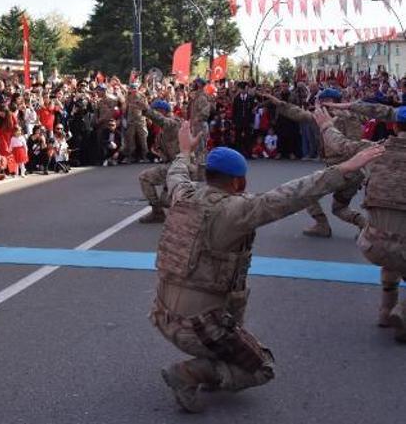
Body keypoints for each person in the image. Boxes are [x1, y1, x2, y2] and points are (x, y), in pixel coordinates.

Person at [153, 121, 383, 413]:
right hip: (197, 328)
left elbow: (176, 174)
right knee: (262, 368)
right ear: (238, 183)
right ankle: (188, 374)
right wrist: (346, 168)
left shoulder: (182, 196)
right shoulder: (236, 211)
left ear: (208, 175)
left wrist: (185, 152)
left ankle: (210, 365)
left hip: (163, 316)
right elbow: (291, 194)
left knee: (233, 322)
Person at [318, 102, 406, 339]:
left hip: (373, 243)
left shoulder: (375, 150)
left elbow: (340, 144)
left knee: (394, 253)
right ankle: (403, 313)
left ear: (396, 127)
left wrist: (326, 125)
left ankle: (386, 310)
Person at [261, 89, 367, 238]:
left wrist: (278, 103)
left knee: (306, 190)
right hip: (353, 172)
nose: (318, 104)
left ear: (329, 101)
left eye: (321, 101)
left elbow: (298, 114)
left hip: (341, 170)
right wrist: (278, 102)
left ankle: (322, 225)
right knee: (339, 208)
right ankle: (364, 226)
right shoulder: (340, 117)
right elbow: (299, 113)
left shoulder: (337, 118)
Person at [138, 100, 181, 223]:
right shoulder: (163, 129)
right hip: (172, 165)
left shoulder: (173, 123)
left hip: (180, 166)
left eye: (155, 110)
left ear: (162, 111)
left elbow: (163, 121)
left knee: (165, 200)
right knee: (147, 179)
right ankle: (157, 213)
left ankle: (189, 213)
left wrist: (147, 111)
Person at [121, 82, 149, 163]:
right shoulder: (128, 97)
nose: (133, 90)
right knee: (130, 139)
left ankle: (145, 156)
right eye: (132, 88)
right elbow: (124, 109)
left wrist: (138, 105)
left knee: (143, 139)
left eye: (135, 88)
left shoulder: (142, 96)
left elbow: (146, 108)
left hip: (141, 120)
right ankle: (131, 156)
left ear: (137, 88)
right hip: (131, 121)